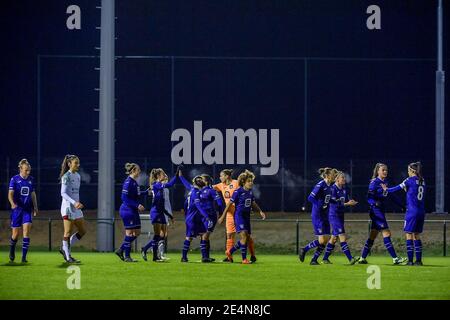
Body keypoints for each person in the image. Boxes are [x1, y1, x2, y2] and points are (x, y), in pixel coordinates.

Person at [358, 163, 406, 265]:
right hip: (375, 211)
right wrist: (374, 203)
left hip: (380, 211)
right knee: (386, 233)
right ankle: (395, 259)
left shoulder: (386, 183)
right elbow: (369, 197)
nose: (385, 172)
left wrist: (402, 206)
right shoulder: (374, 182)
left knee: (372, 235)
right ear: (378, 171)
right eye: (383, 170)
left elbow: (391, 196)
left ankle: (362, 258)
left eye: (386, 170)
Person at [382, 162, 426, 266]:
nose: (408, 172)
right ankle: (419, 261)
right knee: (417, 235)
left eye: (408, 170)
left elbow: (397, 188)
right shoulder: (422, 180)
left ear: (412, 171)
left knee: (409, 234)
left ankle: (410, 261)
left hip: (411, 211)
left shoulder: (409, 180)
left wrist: (386, 189)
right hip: (421, 211)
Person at [218, 170, 266, 264]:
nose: (251, 183)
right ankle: (244, 259)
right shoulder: (238, 192)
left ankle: (230, 251)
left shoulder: (250, 192)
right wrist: (222, 216)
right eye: (249, 181)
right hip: (239, 217)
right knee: (243, 237)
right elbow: (228, 204)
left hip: (247, 217)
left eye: (251, 181)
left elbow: (253, 203)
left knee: (247, 238)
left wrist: (260, 211)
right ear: (243, 182)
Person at [321, 171, 359, 265]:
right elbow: (336, 203)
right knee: (342, 236)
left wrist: (351, 201)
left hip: (340, 215)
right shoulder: (333, 189)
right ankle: (350, 258)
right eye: (342, 178)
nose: (344, 179)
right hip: (334, 215)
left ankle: (325, 258)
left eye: (344, 178)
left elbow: (345, 200)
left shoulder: (344, 189)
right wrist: (348, 204)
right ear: (337, 179)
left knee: (334, 238)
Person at [141, 168, 177, 262]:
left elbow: (162, 203)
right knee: (158, 235)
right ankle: (155, 256)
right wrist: (177, 174)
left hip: (161, 211)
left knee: (160, 235)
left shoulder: (160, 186)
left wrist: (170, 215)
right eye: (162, 174)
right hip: (156, 212)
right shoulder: (157, 185)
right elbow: (170, 184)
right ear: (158, 176)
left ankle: (147, 250)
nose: (164, 175)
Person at [7, 159, 38, 263]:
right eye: (26, 170)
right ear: (20, 169)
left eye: (29, 170)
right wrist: (12, 203)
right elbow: (10, 194)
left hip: (27, 210)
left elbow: (33, 194)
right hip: (17, 209)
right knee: (15, 234)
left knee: (26, 232)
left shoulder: (31, 179)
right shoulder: (14, 179)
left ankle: (24, 258)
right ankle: (12, 249)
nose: (28, 172)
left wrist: (35, 207)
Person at [59, 154, 86, 263]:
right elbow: (63, 193)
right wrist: (74, 203)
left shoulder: (78, 176)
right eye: (76, 163)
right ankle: (68, 256)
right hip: (68, 208)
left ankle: (64, 248)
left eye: (78, 163)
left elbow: (75, 193)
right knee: (67, 232)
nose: (78, 165)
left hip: (76, 208)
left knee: (83, 231)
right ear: (69, 164)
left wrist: (78, 204)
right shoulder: (66, 176)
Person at [115, 163, 145, 262]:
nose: (139, 171)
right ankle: (127, 256)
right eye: (138, 169)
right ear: (133, 171)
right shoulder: (128, 182)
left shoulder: (134, 182)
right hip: (127, 210)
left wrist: (147, 192)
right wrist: (137, 205)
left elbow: (136, 194)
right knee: (130, 233)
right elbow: (124, 198)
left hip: (133, 210)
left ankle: (121, 250)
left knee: (137, 232)